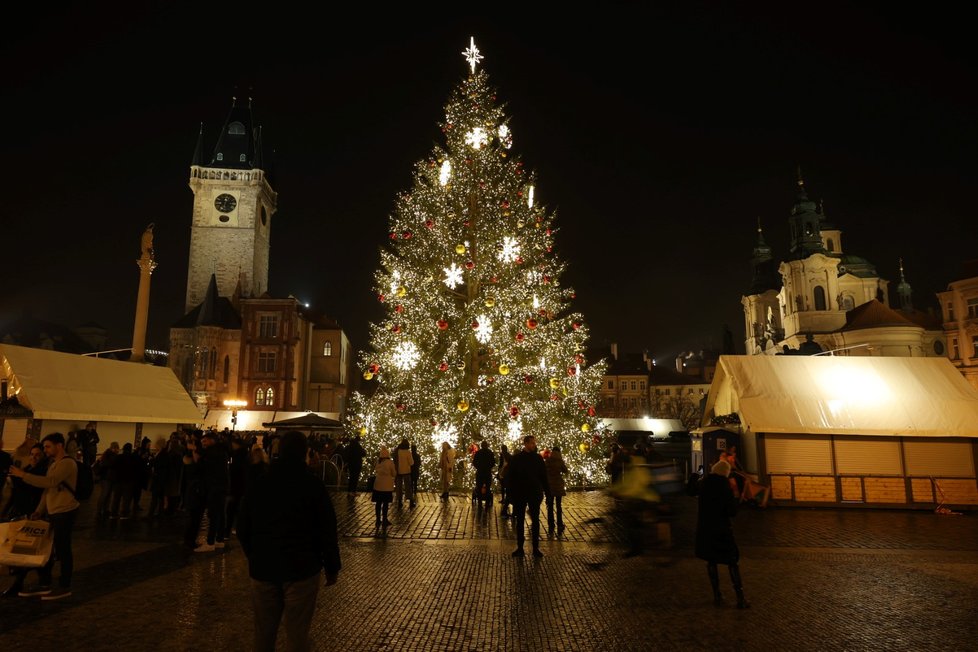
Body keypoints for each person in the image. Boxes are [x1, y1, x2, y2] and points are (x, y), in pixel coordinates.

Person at [237, 430, 341, 652]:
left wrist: (254, 556)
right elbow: (327, 530)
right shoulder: (313, 486)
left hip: (264, 567)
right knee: (297, 633)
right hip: (301, 569)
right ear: (305, 453)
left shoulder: (260, 483)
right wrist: (332, 567)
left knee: (263, 634)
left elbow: (243, 525)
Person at [8, 433, 80, 600]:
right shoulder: (54, 464)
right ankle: (45, 584)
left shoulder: (67, 463)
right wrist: (40, 510)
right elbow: (48, 491)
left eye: (48, 446)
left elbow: (50, 482)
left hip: (65, 511)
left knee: (63, 549)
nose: (45, 450)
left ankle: (64, 585)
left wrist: (23, 475)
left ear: (59, 445)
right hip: (53, 510)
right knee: (47, 549)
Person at [695, 459, 749, 609]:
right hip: (721, 530)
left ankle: (717, 595)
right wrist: (737, 499)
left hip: (706, 529)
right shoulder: (724, 488)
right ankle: (740, 598)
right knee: (732, 562)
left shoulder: (704, 485)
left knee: (711, 561)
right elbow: (731, 512)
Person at [507, 435, 550, 558]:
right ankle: (520, 547)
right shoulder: (517, 459)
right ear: (525, 444)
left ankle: (535, 548)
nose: (534, 445)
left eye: (534, 443)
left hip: (534, 493)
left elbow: (543, 477)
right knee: (520, 521)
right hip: (520, 494)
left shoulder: (537, 458)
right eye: (531, 443)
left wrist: (547, 493)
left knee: (535, 521)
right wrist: (510, 494)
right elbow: (511, 477)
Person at [545, 444, 568, 536]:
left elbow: (545, 470)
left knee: (550, 506)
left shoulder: (548, 460)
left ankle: (551, 524)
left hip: (550, 486)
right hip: (558, 485)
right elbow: (565, 470)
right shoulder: (560, 461)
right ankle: (560, 524)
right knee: (558, 506)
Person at [372, 447, 396, 526]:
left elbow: (375, 470)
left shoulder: (378, 462)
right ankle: (384, 519)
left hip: (378, 485)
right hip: (387, 486)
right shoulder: (390, 462)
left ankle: (378, 519)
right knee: (385, 504)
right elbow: (394, 473)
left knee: (378, 503)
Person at [472, 440, 495, 507]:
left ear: (481, 446)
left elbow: (474, 462)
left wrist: (478, 467)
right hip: (487, 472)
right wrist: (489, 467)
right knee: (487, 488)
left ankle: (479, 503)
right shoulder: (490, 452)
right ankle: (487, 503)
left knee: (479, 488)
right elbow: (493, 462)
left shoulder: (478, 453)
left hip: (480, 472)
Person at [394, 438, 415, 508]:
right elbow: (411, 463)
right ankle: (411, 501)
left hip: (398, 472)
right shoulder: (407, 452)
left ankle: (399, 501)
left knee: (399, 487)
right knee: (408, 487)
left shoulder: (397, 451)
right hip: (406, 471)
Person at [498, 444, 512, 518]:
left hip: (503, 473)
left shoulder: (502, 455)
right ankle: (505, 499)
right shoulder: (509, 455)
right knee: (506, 487)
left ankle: (504, 499)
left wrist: (499, 471)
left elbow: (501, 464)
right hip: (507, 474)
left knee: (503, 486)